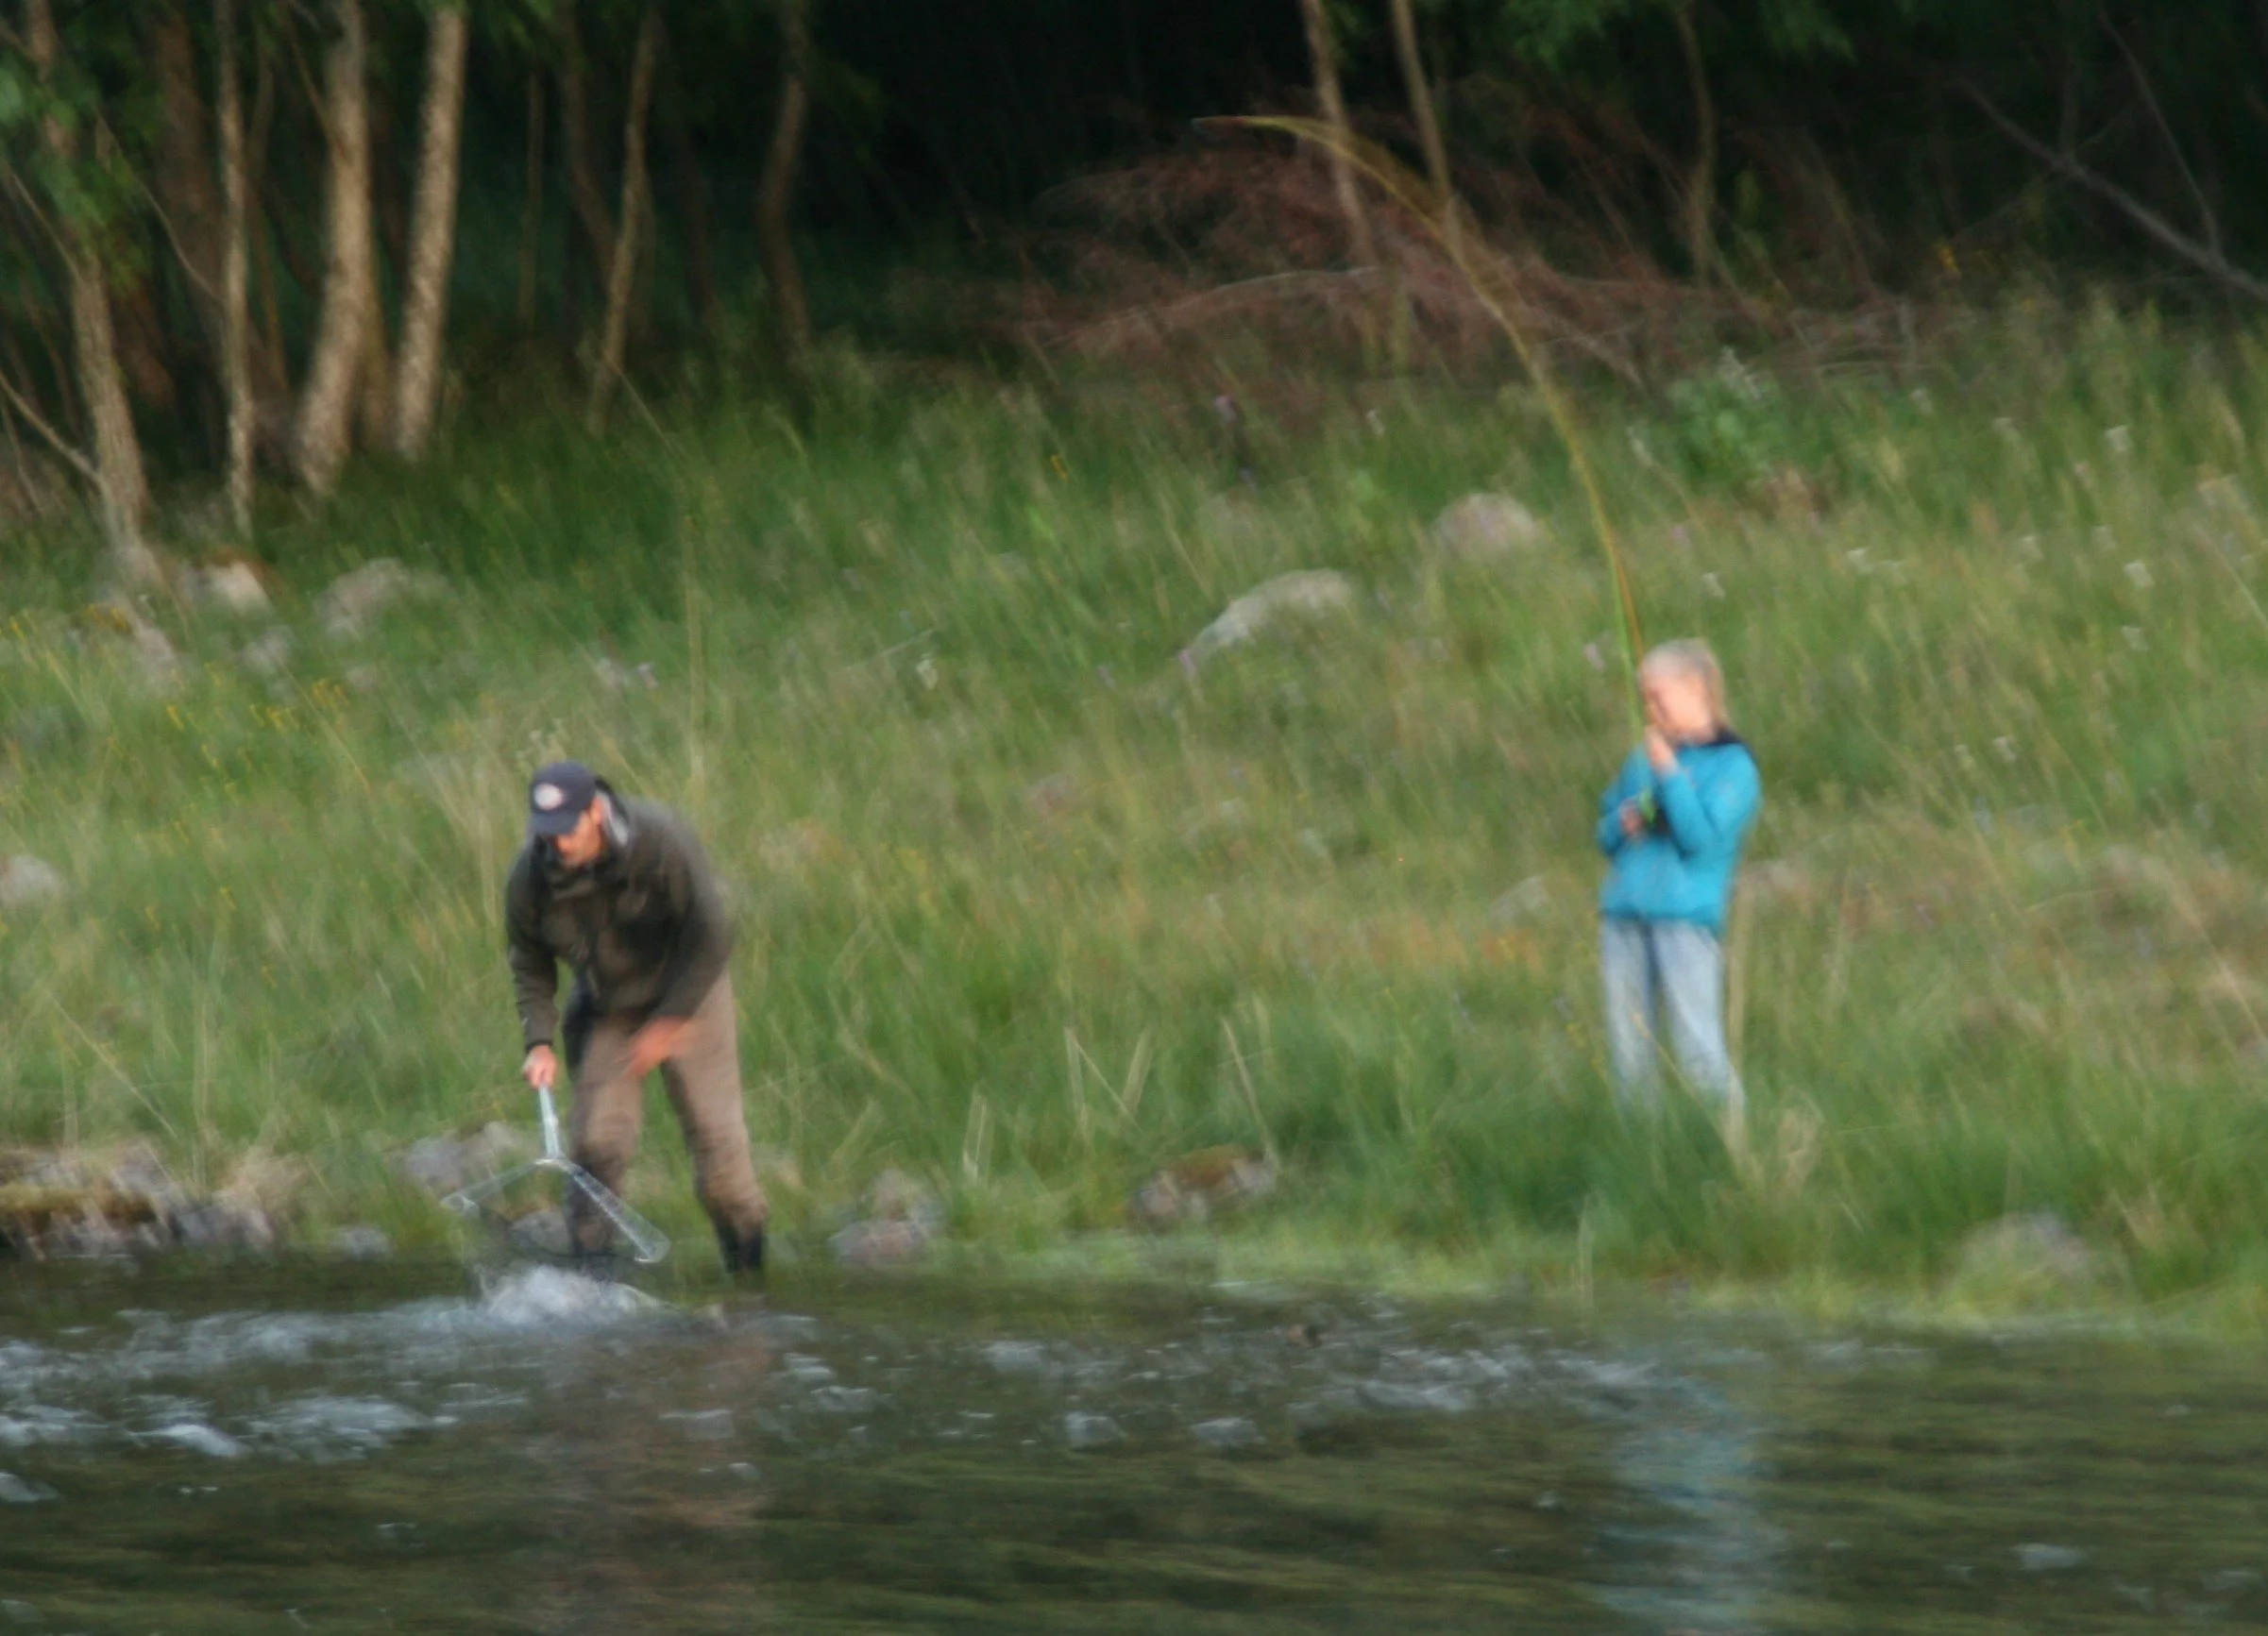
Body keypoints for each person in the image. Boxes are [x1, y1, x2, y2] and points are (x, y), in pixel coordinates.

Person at [505, 760, 767, 1273]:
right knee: (595, 1148)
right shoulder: (530, 877)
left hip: (690, 998)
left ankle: (749, 1288)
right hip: (609, 1008)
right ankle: (593, 1290)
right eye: (547, 833)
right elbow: (530, 962)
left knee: (721, 1166)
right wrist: (538, 1042)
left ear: (596, 812)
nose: (557, 845)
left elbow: (712, 936)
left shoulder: (660, 842)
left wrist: (668, 1026)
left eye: (568, 831)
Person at [1596, 641, 1761, 1114]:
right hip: (1624, 917)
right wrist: (1622, 823)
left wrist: (1668, 774)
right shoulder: (1641, 760)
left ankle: (1733, 1143)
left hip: (1684, 922)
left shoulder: (1734, 767)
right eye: (1645, 699)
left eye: (1658, 698)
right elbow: (1605, 834)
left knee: (1696, 1047)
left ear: (1696, 689)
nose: (1651, 711)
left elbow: (1700, 841)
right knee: (1629, 1053)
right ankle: (1642, 1154)